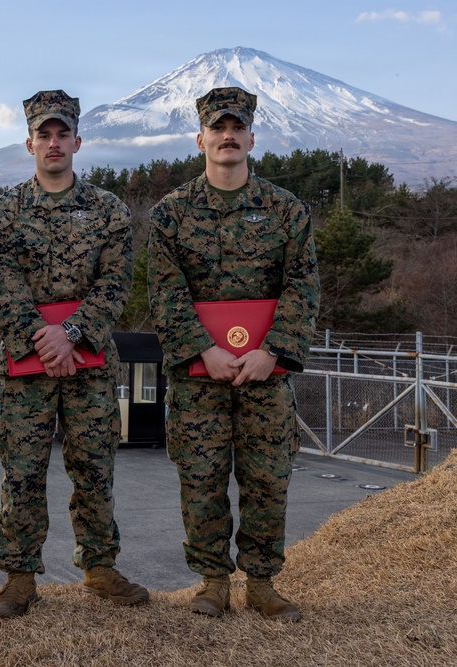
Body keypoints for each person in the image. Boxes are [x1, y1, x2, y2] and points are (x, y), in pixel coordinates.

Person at [147, 86, 320, 621]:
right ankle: (213, 580)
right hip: (200, 376)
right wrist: (203, 351)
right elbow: (165, 292)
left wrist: (273, 350)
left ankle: (262, 583)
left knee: (268, 478)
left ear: (252, 137)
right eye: (217, 128)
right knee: (201, 478)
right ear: (200, 138)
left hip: (266, 373)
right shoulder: (171, 213)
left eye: (237, 127)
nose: (228, 136)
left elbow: (303, 287)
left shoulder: (286, 210)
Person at [0, 90, 147, 618]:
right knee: (22, 471)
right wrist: (45, 338)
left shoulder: (108, 210)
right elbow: (1, 287)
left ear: (77, 141)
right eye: (44, 134)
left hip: (88, 361)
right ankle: (19, 577)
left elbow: (116, 282)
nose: (53, 143)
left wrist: (71, 333)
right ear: (29, 143)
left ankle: (99, 567)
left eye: (62, 134)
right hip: (26, 363)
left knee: (95, 468)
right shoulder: (2, 213)